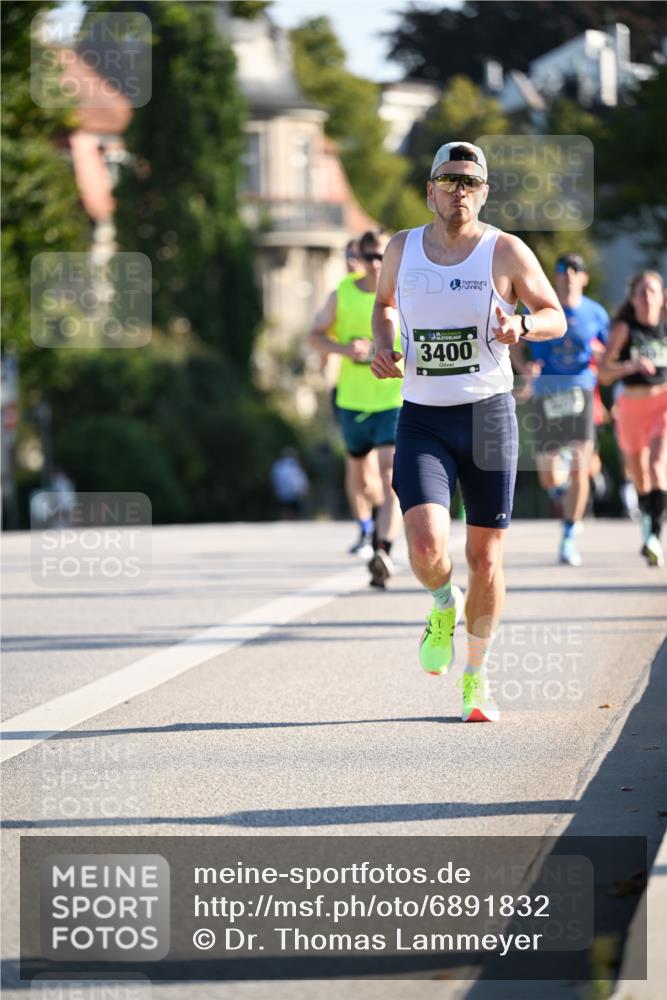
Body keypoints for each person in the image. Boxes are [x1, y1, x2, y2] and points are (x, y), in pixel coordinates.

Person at [371, 140, 566, 722]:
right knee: (426, 545)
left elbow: (554, 315)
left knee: (485, 557)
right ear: (429, 190)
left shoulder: (505, 250)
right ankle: (441, 602)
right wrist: (384, 343)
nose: (460, 190)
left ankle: (476, 678)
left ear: (484, 193)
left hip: (488, 417)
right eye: (449, 180)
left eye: (470, 182)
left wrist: (522, 326)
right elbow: (384, 304)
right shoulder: (402, 248)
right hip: (423, 417)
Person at [308, 230, 403, 587]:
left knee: (390, 475)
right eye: (371, 256)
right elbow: (313, 336)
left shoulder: (405, 292)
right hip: (352, 400)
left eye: (383, 256)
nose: (377, 264)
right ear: (359, 258)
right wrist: (344, 350)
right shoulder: (342, 294)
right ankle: (369, 525)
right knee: (363, 479)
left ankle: (383, 549)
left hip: (393, 399)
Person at [511, 253, 610, 565]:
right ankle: (562, 487)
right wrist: (524, 368)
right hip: (546, 393)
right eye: (562, 270)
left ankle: (568, 536)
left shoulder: (596, 313)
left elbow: (611, 351)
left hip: (581, 391)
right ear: (554, 277)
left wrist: (602, 358)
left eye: (575, 270)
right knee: (549, 477)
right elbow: (514, 341)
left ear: (584, 278)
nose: (568, 274)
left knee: (581, 463)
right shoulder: (540, 308)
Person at [599, 271, 667, 567]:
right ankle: (649, 527)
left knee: (657, 465)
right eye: (642, 292)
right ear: (633, 298)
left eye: (653, 291)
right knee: (640, 477)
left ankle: (654, 536)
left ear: (662, 297)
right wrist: (630, 366)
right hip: (631, 407)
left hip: (662, 403)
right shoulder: (624, 329)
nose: (647, 297)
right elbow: (604, 372)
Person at [270, 448, 309, 519]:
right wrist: (304, 490)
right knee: (293, 512)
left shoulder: (278, 465)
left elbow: (273, 479)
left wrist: (275, 490)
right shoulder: (295, 466)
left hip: (282, 493)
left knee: (286, 510)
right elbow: (300, 480)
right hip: (294, 494)